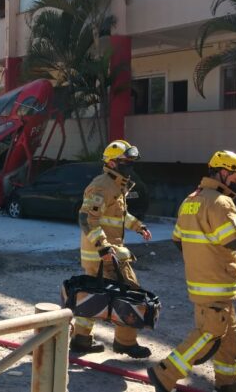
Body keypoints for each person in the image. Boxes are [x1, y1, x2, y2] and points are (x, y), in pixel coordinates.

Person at [147, 150, 236, 392]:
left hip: (208, 284)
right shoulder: (220, 202)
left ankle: (228, 384)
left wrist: (201, 260)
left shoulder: (190, 201)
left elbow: (178, 240)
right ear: (224, 173)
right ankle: (164, 374)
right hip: (216, 285)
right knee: (208, 335)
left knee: (229, 337)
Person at [70, 139, 153, 357]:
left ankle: (81, 339)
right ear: (113, 163)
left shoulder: (115, 186)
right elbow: (87, 219)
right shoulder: (102, 185)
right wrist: (104, 247)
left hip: (99, 254)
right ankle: (125, 342)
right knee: (130, 293)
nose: (130, 166)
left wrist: (138, 226)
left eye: (131, 162)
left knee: (92, 294)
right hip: (104, 254)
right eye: (126, 162)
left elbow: (118, 216)